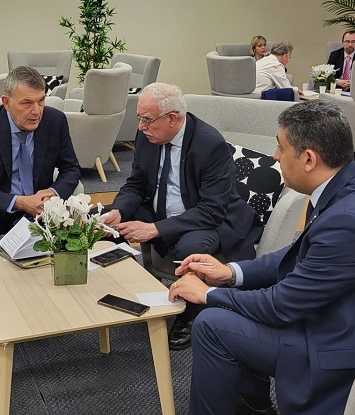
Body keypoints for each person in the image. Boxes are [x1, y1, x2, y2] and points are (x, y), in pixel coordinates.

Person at [171, 100, 355, 415]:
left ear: (308, 159)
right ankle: (251, 403)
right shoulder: (351, 184)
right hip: (352, 320)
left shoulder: (350, 220)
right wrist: (231, 273)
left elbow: (280, 305)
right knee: (234, 300)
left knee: (211, 322)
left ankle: (248, 403)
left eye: (280, 147)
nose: (275, 156)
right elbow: (299, 257)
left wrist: (208, 294)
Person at [101, 82, 264, 351]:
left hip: (205, 217)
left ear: (172, 119)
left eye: (147, 119)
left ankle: (189, 312)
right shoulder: (147, 136)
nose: (140, 126)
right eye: (139, 118)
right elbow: (136, 184)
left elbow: (211, 210)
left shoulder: (210, 144)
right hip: (160, 208)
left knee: (190, 247)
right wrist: (118, 210)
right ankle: (125, 290)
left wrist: (155, 229)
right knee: (106, 220)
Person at [0, 65, 81, 357]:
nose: (37, 111)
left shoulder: (55, 121)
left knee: (74, 220)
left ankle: (59, 303)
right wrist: (20, 202)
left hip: (40, 206)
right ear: (6, 102)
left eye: (41, 101)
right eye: (27, 103)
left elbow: (71, 169)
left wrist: (53, 194)